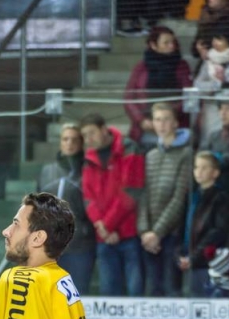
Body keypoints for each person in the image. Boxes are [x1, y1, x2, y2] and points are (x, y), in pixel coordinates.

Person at [81, 113, 145, 297]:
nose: (88, 139)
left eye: (91, 133)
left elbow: (130, 192)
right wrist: (101, 226)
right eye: (84, 136)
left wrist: (107, 225)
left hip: (129, 233)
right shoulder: (88, 157)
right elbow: (88, 197)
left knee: (135, 294)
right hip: (103, 237)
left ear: (103, 129)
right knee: (108, 295)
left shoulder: (129, 148)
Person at [137, 103, 192, 297]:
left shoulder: (186, 154)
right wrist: (145, 231)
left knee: (171, 289)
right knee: (152, 289)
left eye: (166, 119)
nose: (161, 124)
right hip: (149, 236)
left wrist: (157, 232)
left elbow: (179, 198)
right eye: (157, 119)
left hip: (170, 235)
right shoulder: (150, 155)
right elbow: (144, 195)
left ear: (176, 123)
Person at [39, 123, 96, 295]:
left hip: (79, 246)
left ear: (81, 143)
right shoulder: (47, 171)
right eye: (65, 139)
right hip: (50, 247)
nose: (69, 143)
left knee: (76, 297)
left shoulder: (88, 171)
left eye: (74, 139)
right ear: (60, 143)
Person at [123, 26, 193, 148]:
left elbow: (190, 96)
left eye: (173, 42)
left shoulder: (182, 66)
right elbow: (129, 97)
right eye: (166, 43)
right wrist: (141, 120)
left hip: (175, 125)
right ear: (154, 45)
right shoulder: (141, 67)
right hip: (147, 126)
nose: (171, 46)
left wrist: (168, 117)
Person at [178, 152, 229, 297]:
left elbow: (217, 232)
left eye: (204, 168)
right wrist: (180, 254)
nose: (198, 172)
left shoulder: (220, 198)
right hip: (188, 260)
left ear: (215, 173)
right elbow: (182, 228)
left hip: (207, 262)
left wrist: (195, 257)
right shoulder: (192, 196)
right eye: (196, 167)